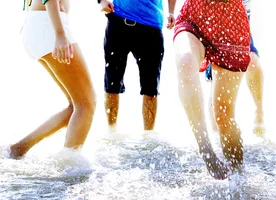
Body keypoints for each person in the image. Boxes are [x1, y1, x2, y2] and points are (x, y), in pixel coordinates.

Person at [171, 0, 251, 179]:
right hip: (195, 14)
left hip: (231, 21)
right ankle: (206, 149)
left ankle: (238, 177)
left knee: (223, 116)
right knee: (185, 61)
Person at [10, 0, 97, 158]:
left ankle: (17, 149)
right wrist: (60, 34)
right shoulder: (55, 31)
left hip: (37, 24)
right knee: (86, 104)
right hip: (50, 26)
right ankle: (69, 167)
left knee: (76, 105)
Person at [99, 0, 176, 132]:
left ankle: (148, 139)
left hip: (151, 28)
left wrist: (171, 12)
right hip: (118, 22)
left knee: (151, 89)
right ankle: (111, 135)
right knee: (112, 84)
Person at [206, 0, 266, 136]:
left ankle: (259, 111)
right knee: (216, 77)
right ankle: (216, 134)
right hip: (211, 20)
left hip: (239, 15)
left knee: (252, 59)